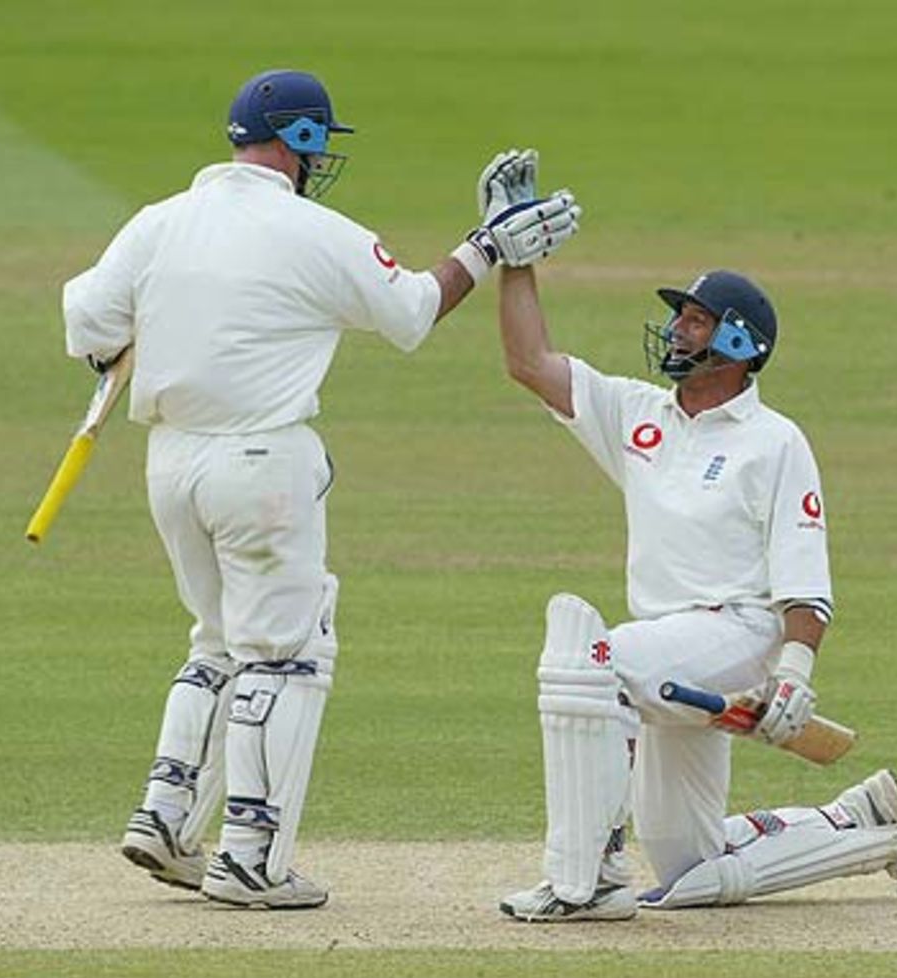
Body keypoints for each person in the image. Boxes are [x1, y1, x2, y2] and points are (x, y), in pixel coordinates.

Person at [61, 74, 578, 909]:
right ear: (297, 141)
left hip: (169, 464)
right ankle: (251, 860)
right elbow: (411, 311)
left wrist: (123, 339)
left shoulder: (158, 223)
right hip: (263, 464)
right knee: (285, 656)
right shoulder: (314, 231)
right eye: (318, 142)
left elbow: (87, 326)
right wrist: (485, 247)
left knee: (219, 641)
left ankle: (167, 814)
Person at [479, 152, 897, 922]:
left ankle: (585, 876)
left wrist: (791, 676)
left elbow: (805, 585)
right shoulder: (640, 415)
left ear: (741, 345)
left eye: (695, 319)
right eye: (680, 316)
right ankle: (864, 824)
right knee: (692, 869)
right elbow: (530, 362)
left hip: (736, 635)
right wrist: (512, 258)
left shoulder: (774, 442)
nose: (676, 329)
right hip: (671, 644)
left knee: (594, 664)